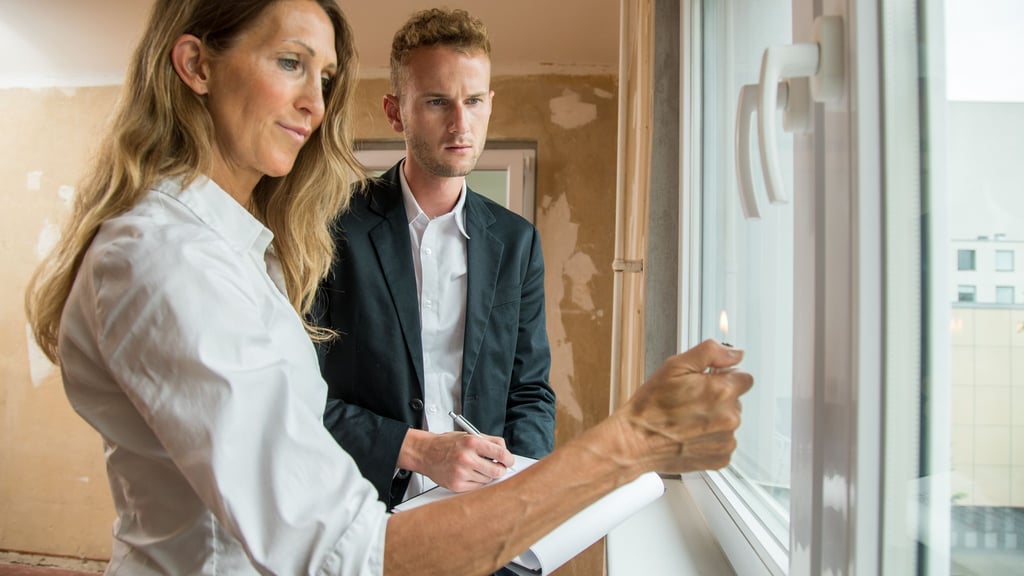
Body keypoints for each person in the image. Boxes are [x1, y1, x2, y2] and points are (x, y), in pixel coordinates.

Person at [23, 1, 753, 574]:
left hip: (444, 524)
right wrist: (633, 443)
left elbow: (525, 388)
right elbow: (341, 552)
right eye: (289, 62)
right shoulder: (174, 259)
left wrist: (510, 492)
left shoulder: (247, 250)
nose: (315, 103)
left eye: (326, 76)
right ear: (196, 64)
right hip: (373, 529)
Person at [315, 7, 555, 508]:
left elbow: (530, 392)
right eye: (436, 101)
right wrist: (418, 451)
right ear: (394, 110)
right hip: (360, 512)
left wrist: (521, 495)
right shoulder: (331, 228)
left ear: (490, 103)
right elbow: (299, 398)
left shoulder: (519, 243)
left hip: (483, 512)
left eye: (472, 101)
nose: (460, 123)